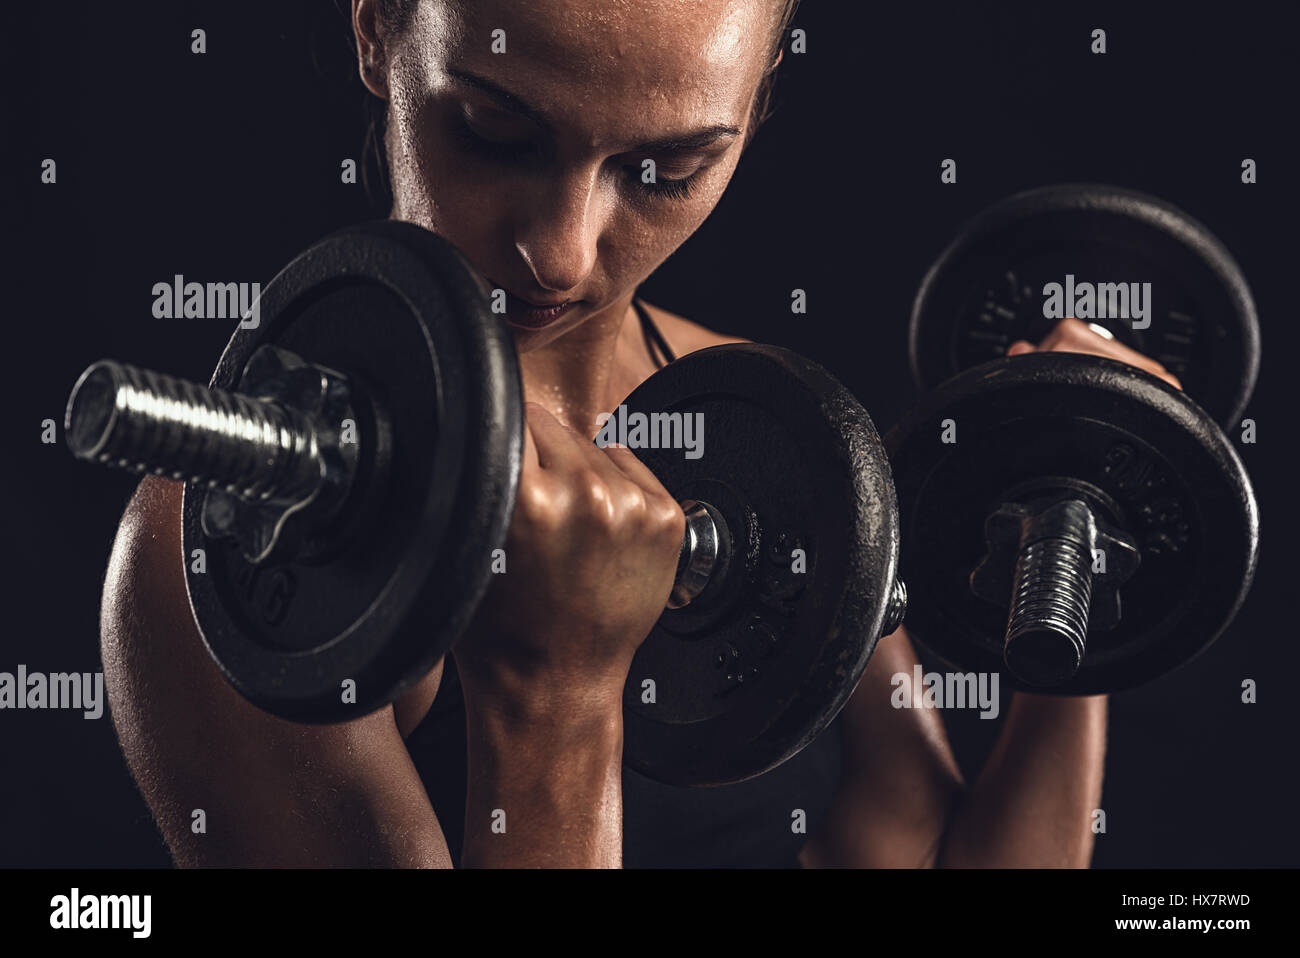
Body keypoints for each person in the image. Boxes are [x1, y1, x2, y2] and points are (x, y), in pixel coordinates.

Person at [100, 0, 1183, 868]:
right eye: (496, 132)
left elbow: (924, 849)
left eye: (664, 170)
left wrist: (1070, 528)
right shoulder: (240, 546)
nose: (563, 254)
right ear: (376, 27)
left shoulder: (770, 424)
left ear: (751, 114)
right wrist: (555, 696)